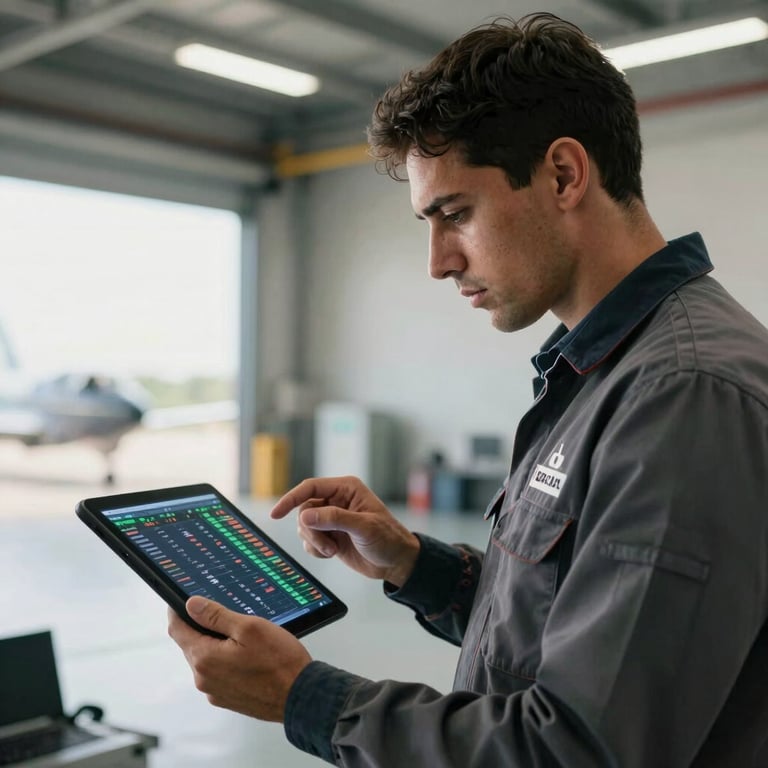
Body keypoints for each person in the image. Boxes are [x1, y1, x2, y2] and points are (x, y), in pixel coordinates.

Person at [168, 12, 768, 767]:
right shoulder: (601, 370)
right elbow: (567, 628)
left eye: (455, 214)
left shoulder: (684, 395)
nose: (438, 261)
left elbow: (580, 750)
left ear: (563, 175)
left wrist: (307, 698)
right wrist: (416, 567)